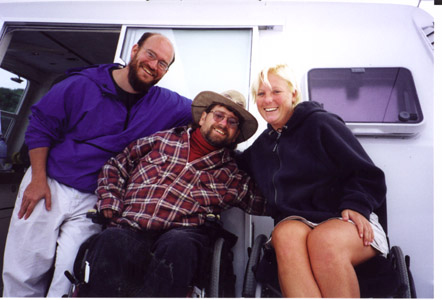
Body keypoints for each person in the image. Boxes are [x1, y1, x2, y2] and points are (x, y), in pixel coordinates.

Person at [2, 32, 193, 297]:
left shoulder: (165, 103)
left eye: (163, 63)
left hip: (95, 198)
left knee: (73, 274)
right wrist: (37, 179)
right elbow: (40, 126)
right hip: (49, 183)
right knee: (25, 269)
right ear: (135, 50)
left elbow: (208, 113)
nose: (154, 65)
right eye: (151, 54)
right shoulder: (82, 83)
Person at [75, 90, 265, 297]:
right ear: (203, 118)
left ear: (236, 134)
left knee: (179, 245)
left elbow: (265, 202)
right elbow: (117, 165)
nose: (223, 124)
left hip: (181, 237)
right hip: (130, 226)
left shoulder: (231, 174)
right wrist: (110, 200)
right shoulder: (161, 140)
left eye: (232, 122)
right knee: (112, 239)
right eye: (218, 116)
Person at [236, 63, 389, 298]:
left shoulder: (320, 123)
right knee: (284, 234)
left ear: (294, 94)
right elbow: (235, 164)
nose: (268, 100)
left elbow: (367, 173)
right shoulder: (263, 145)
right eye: (261, 94)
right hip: (299, 221)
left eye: (276, 91)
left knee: (324, 240)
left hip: (345, 217)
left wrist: (357, 204)